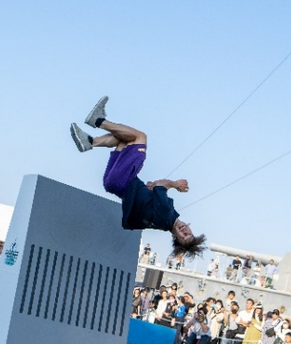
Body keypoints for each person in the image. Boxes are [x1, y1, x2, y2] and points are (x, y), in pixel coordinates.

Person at [70, 96, 206, 259]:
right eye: (189, 234)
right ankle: (90, 142)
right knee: (124, 140)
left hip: (124, 181)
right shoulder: (161, 222)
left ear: (175, 238)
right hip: (114, 184)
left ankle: (98, 120)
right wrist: (152, 190)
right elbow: (154, 190)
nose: (185, 232)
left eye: (183, 237)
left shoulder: (166, 215)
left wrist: (176, 184)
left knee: (140, 137)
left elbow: (160, 185)